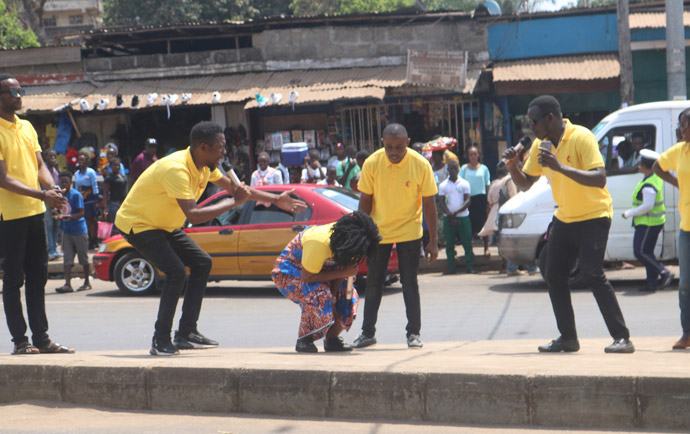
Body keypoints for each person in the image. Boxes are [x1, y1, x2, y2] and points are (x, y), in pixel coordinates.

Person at [114, 121, 307, 356]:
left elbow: (238, 190)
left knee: (202, 262)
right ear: (203, 147)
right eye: (221, 147)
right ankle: (160, 338)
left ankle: (186, 332)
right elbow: (194, 215)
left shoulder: (206, 166)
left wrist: (276, 199)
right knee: (175, 272)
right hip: (138, 224)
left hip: (163, 224)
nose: (225, 152)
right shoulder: (177, 169)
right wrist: (233, 203)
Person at [502, 95, 634, 354]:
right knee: (553, 274)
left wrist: (559, 167)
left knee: (592, 274)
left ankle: (622, 338)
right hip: (564, 218)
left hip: (594, 216)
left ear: (550, 118)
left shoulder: (582, 137)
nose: (531, 128)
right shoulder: (541, 145)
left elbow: (599, 178)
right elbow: (527, 183)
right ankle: (568, 338)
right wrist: (512, 166)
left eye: (534, 122)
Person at [0, 73, 75, 354]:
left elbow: (39, 164)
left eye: (20, 90)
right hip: (9, 216)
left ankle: (42, 339)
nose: (18, 95)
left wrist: (52, 188)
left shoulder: (28, 126)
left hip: (35, 212)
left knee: (38, 277)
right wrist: (42, 195)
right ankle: (20, 341)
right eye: (11, 92)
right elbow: (3, 179)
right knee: (13, 280)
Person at [352, 123, 438, 350]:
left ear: (407, 143)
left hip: (410, 230)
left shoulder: (420, 165)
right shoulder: (372, 163)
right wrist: (362, 233)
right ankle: (367, 333)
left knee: (410, 283)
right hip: (378, 232)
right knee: (373, 284)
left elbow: (429, 203)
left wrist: (433, 240)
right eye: (389, 147)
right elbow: (366, 200)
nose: (394, 152)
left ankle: (414, 334)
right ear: (383, 143)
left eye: (399, 147)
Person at [272, 212, 381, 352]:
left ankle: (332, 339)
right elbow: (307, 277)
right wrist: (337, 284)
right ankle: (305, 339)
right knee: (320, 295)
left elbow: (341, 272)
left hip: (322, 273)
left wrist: (334, 298)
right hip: (291, 273)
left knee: (349, 297)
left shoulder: (351, 245)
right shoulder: (319, 242)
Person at [653, 107, 690, 350]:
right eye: (680, 126)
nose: (681, 130)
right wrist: (677, 183)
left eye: (685, 125)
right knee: (685, 284)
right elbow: (657, 166)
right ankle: (687, 333)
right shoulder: (679, 151)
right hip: (686, 227)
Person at [621, 149, 674, 292]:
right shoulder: (652, 177)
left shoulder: (649, 183)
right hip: (650, 222)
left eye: (640, 163)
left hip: (649, 222)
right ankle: (652, 283)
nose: (638, 166)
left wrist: (629, 213)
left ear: (645, 166)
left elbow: (648, 206)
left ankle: (664, 272)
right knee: (647, 252)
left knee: (640, 252)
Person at [55, 171, 91, 293]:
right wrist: (56, 214)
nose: (64, 184)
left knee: (83, 259)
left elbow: (81, 213)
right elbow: (57, 210)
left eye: (66, 182)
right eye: (62, 182)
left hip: (79, 231)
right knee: (67, 259)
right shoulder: (60, 196)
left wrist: (68, 216)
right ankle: (67, 284)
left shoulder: (76, 195)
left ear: (71, 182)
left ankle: (87, 282)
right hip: (67, 231)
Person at [437, 160, 473, 275]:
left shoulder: (465, 183)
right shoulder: (443, 185)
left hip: (463, 217)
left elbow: (467, 201)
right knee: (449, 244)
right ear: (447, 170)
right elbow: (441, 203)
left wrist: (455, 213)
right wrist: (450, 215)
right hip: (449, 219)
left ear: (458, 169)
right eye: (450, 168)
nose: (452, 171)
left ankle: (470, 266)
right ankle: (451, 267)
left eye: (454, 168)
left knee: (467, 243)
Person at [461, 146, 491, 257]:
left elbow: (488, 184)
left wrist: (488, 200)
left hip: (481, 199)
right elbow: (459, 183)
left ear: (478, 155)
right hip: (468, 199)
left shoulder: (484, 169)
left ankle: (486, 248)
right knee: (468, 226)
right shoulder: (464, 169)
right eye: (471, 154)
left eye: (475, 154)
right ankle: (469, 250)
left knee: (483, 224)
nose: (473, 156)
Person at [74, 150, 100, 250]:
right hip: (81, 197)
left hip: (90, 197)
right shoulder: (76, 174)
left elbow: (94, 185)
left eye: (83, 160)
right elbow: (76, 187)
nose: (81, 162)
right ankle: (89, 240)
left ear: (87, 161)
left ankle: (93, 241)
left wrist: (96, 199)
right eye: (80, 160)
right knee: (84, 220)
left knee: (91, 220)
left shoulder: (91, 172)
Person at [43, 148, 62, 261]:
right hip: (46, 200)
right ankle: (50, 250)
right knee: (49, 225)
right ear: (45, 157)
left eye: (55, 156)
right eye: (51, 156)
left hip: (56, 200)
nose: (53, 159)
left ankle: (55, 249)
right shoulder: (43, 169)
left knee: (56, 225)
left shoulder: (55, 169)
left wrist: (57, 168)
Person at [102, 157, 128, 224]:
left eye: (118, 165)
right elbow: (106, 194)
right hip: (114, 204)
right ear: (111, 166)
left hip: (123, 204)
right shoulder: (109, 178)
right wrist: (105, 208)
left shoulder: (124, 177)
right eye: (115, 165)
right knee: (115, 225)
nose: (117, 167)